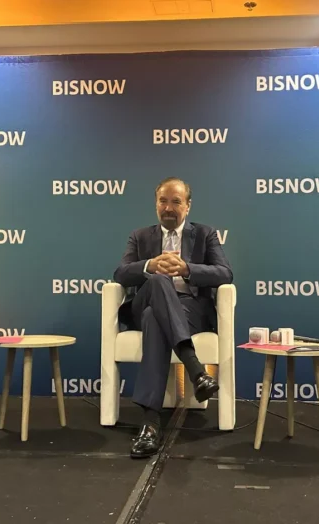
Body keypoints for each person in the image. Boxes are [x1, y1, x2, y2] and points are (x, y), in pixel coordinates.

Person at [113, 177, 233, 458]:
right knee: (156, 282)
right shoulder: (140, 236)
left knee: (156, 318)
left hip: (188, 309)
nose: (168, 207)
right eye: (163, 201)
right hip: (144, 302)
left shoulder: (205, 234)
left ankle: (151, 424)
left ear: (187, 206)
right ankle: (195, 370)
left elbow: (225, 273)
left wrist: (186, 268)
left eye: (176, 201)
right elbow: (120, 273)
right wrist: (150, 265)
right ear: (156, 204)